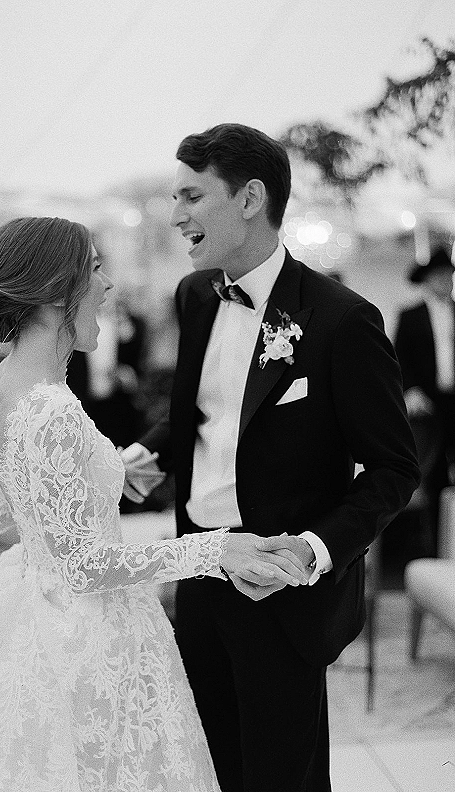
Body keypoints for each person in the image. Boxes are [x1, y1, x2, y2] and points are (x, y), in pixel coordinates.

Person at [0, 216, 310, 792]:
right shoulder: (52, 410)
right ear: (56, 291)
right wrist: (215, 550)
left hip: (31, 615)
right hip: (86, 640)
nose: (107, 283)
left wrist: (102, 471)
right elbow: (84, 567)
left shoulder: (1, 384)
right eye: (94, 268)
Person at [122, 123, 420, 792]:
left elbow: (395, 469)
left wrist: (312, 551)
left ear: (250, 198)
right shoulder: (195, 296)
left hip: (280, 593)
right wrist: (144, 453)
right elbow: (203, 411)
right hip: (199, 571)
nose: (177, 215)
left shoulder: (342, 320)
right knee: (209, 771)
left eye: (192, 197)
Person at [394, 246, 455, 556]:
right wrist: (411, 390)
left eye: (450, 275)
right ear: (429, 279)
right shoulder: (411, 315)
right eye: (441, 275)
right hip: (429, 406)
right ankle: (437, 547)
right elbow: (398, 358)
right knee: (433, 476)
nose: (447, 281)